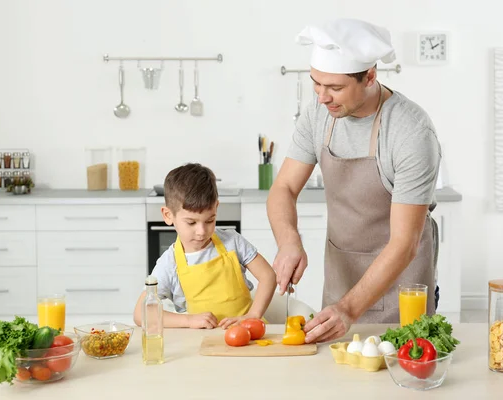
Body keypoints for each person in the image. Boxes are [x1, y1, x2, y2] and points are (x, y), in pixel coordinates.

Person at [267, 18, 442, 343]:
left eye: (334, 88)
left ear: (370, 77)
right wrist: (289, 240)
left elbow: (405, 244)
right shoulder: (318, 115)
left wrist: (349, 309)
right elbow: (284, 188)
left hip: (403, 286)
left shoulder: (410, 132)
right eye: (316, 84)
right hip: (341, 279)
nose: (322, 97)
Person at [133, 163, 277, 329]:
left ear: (216, 207)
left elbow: (268, 276)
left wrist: (253, 315)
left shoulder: (232, 242)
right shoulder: (169, 263)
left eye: (209, 220)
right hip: (203, 341)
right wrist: (188, 321)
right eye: (191, 222)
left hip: (249, 334)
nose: (201, 231)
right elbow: (140, 313)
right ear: (168, 215)